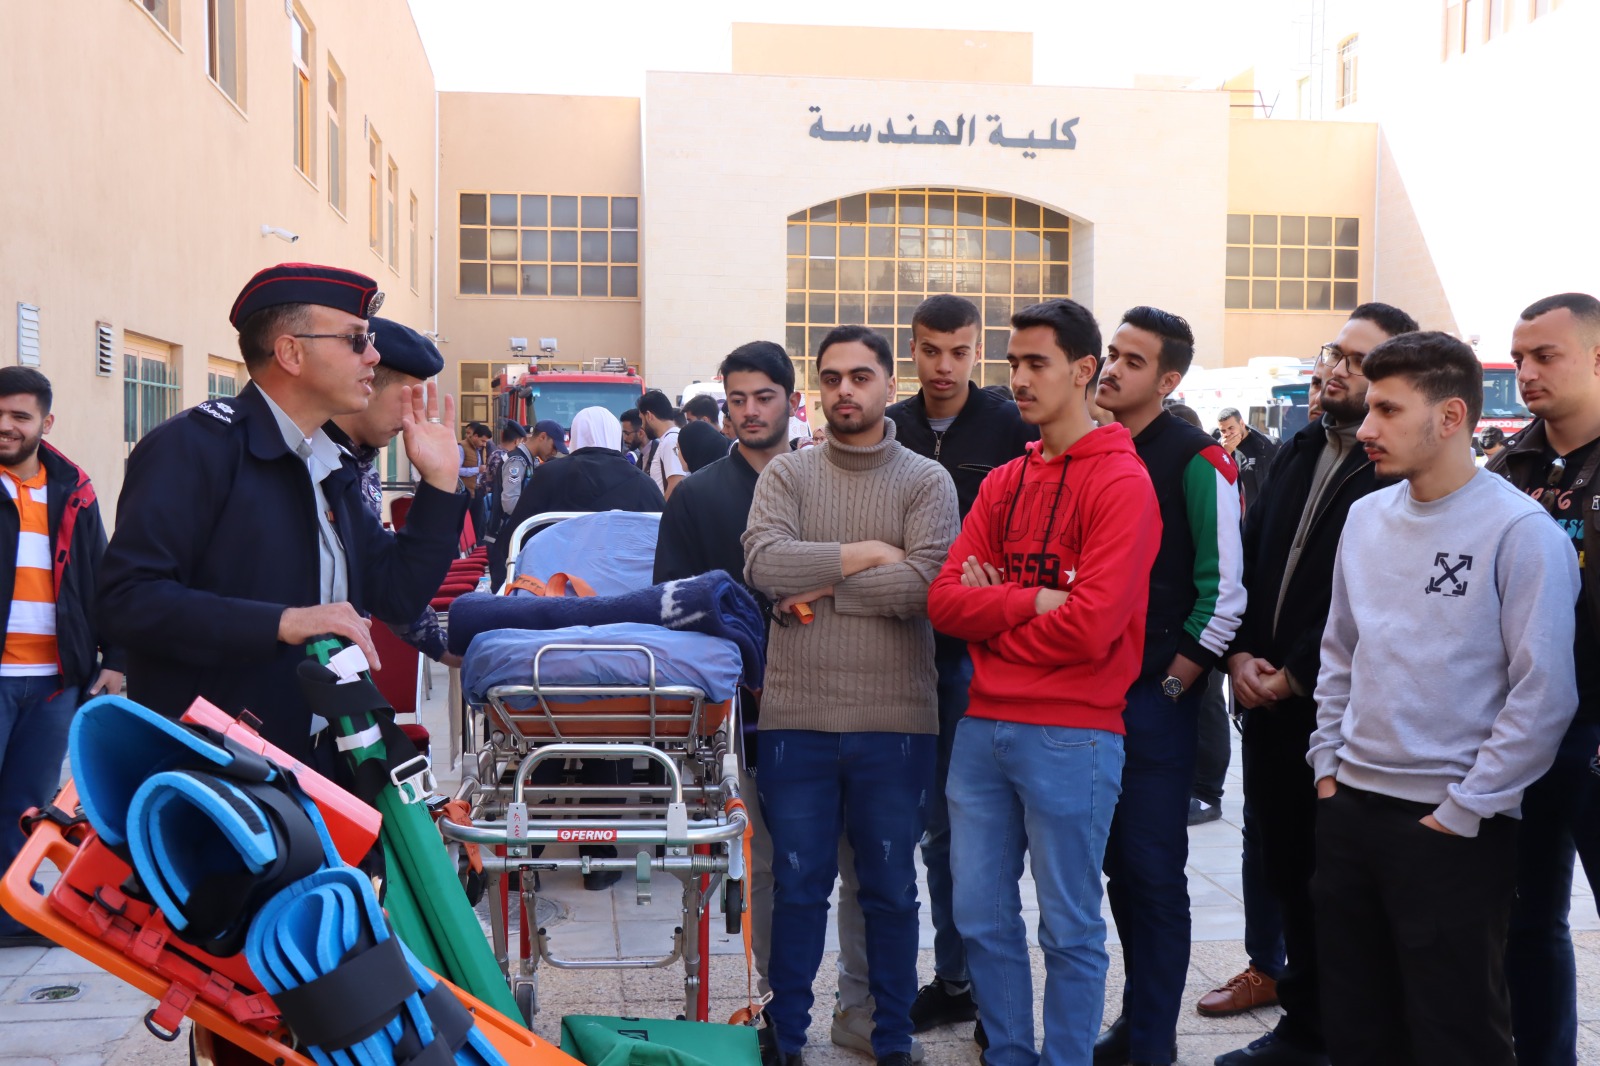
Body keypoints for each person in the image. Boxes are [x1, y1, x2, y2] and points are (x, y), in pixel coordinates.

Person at [1310, 330, 1579, 1064]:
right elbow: (1340, 650)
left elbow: (1544, 693)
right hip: (1349, 809)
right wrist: (1327, 768)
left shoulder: (1521, 532)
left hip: (1451, 828)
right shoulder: (1366, 517)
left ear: (1451, 416)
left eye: (1389, 410)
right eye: (1369, 408)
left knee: (1455, 1032)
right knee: (1358, 1026)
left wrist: (1463, 810)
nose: (1366, 428)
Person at [98, 263, 466, 761]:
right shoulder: (196, 447)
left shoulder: (328, 465)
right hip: (219, 769)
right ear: (291, 352)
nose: (374, 356)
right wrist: (282, 622)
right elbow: (127, 600)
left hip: (321, 757)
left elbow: (398, 596)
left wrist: (441, 486)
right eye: (357, 340)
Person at [927, 298, 1162, 1066]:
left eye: (1037, 364)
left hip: (1074, 731)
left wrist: (992, 622)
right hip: (983, 728)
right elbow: (943, 601)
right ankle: (1009, 1055)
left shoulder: (1122, 484)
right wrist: (1027, 600)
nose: (1019, 381)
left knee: (1068, 925)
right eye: (1013, 365)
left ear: (1084, 370)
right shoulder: (1002, 482)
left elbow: (1094, 626)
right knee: (981, 917)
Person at [744, 324, 959, 1066]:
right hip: (796, 720)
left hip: (896, 720)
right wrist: (866, 557)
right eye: (832, 378)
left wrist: (819, 587)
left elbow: (928, 585)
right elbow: (766, 565)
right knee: (798, 889)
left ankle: (891, 1037)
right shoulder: (788, 476)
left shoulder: (926, 481)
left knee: (892, 893)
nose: (845, 390)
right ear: (818, 389)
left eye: (860, 377)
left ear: (886, 385)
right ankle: (787, 1037)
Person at [1216, 301, 1418, 1066]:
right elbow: (1252, 558)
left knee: (1336, 884)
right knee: (1285, 870)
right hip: (1262, 698)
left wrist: (1295, 672)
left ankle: (1343, 1034)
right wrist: (1239, 656)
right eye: (1336, 351)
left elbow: (1364, 595)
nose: (1337, 369)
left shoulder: (1390, 469)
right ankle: (1304, 1028)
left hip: (1335, 710)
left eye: (1360, 362)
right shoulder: (1299, 447)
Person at [1089, 307, 1244, 1066]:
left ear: (1170, 378)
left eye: (1133, 360)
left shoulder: (1195, 457)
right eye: (1111, 353)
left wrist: (1176, 684)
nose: (1112, 369)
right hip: (1082, 699)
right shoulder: (1087, 447)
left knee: (1151, 872)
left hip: (1154, 701)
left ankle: (1151, 1037)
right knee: (1113, 869)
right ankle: (1130, 1021)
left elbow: (1223, 587)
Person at [885, 294, 1037, 1050]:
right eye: (929, 350)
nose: (944, 366)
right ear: (910, 349)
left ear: (979, 353)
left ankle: (977, 982)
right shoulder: (892, 425)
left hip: (974, 663)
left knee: (970, 835)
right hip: (892, 651)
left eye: (959, 351)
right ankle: (949, 982)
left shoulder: (1009, 427)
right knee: (911, 835)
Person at [1487, 293, 1600, 1065]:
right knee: (1527, 924)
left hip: (1594, 735)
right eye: (1520, 357)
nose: (1526, 372)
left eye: (1545, 356)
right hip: (1528, 730)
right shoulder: (1509, 465)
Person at [0, 368, 123, 949]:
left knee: (25, 803)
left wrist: (116, 657)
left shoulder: (74, 489)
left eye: (19, 417)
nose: (6, 426)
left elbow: (104, 581)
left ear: (45, 423)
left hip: (53, 682)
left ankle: (10, 913)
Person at [326, 316, 454, 667]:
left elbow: (383, 579)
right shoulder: (317, 460)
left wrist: (439, 646)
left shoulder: (360, 459)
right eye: (409, 401)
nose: (415, 417)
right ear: (368, 384)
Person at [489, 406, 663, 588]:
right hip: (625, 594)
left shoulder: (548, 475)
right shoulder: (642, 482)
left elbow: (515, 538)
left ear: (575, 436)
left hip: (556, 591)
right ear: (615, 435)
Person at [1218, 408, 1278, 511]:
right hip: (1237, 516)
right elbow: (1217, 484)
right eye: (1223, 431)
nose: (1227, 434)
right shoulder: (1218, 450)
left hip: (1265, 513)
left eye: (1231, 428)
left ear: (1241, 423)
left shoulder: (1269, 445)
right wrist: (1225, 453)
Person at [638, 390, 686, 499]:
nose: (642, 426)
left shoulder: (671, 440)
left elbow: (676, 483)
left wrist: (664, 513)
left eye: (642, 419)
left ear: (649, 415)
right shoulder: (670, 439)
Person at [459, 421, 492, 543]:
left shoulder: (478, 449)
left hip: (477, 491)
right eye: (482, 441)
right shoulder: (461, 447)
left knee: (478, 524)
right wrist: (477, 470)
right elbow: (456, 470)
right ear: (475, 436)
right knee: (464, 524)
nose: (484, 444)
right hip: (465, 492)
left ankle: (476, 548)